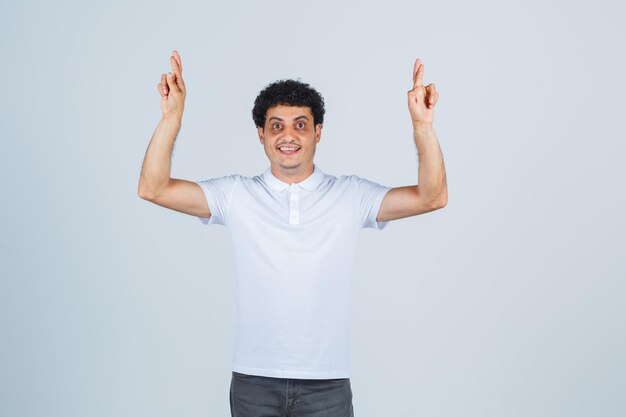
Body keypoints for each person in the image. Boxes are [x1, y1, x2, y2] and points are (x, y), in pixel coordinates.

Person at [138, 50, 447, 417]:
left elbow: (432, 196)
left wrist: (422, 127)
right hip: (254, 381)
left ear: (318, 132)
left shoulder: (350, 195)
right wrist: (171, 119)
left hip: (327, 383)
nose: (288, 135)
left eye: (300, 124)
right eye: (277, 125)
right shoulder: (236, 194)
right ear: (261, 135)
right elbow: (153, 188)